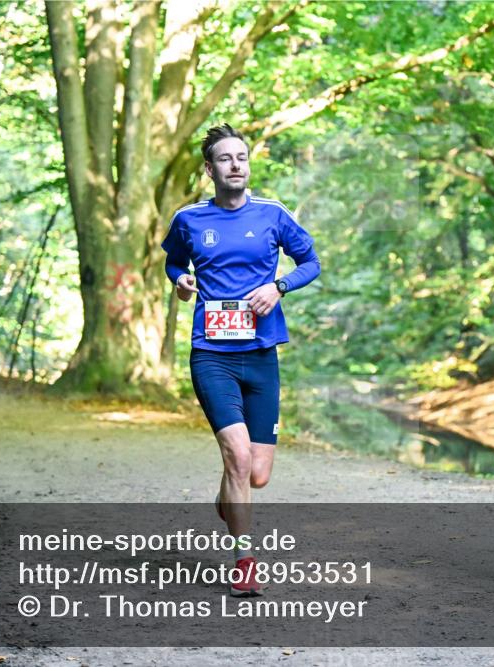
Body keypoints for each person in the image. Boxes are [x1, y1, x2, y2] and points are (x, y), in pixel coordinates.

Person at [161, 124, 320, 597]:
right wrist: (181, 281)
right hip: (212, 355)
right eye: (226, 158)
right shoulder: (189, 218)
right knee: (237, 453)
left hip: (261, 354)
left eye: (242, 157)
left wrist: (279, 286)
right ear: (210, 169)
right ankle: (245, 561)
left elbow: (310, 261)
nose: (236, 165)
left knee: (256, 473)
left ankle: (230, 495)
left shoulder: (272, 214)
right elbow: (172, 261)